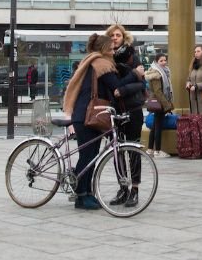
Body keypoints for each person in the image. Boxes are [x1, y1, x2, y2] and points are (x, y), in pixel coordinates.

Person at [61, 33, 122, 210]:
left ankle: (87, 193)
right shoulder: (100, 63)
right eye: (110, 48)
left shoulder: (92, 61)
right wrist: (136, 74)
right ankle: (81, 196)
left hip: (89, 115)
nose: (113, 51)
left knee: (91, 157)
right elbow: (115, 85)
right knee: (87, 156)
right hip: (86, 116)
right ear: (102, 50)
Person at [107, 24, 146, 207]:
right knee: (117, 152)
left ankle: (135, 190)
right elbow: (110, 85)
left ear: (124, 38)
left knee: (133, 151)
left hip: (132, 109)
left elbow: (142, 84)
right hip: (114, 110)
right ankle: (123, 188)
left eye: (118, 35)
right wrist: (129, 79)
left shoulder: (132, 56)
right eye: (112, 35)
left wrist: (122, 90)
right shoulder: (106, 58)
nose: (115, 38)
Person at [146, 52, 173, 158]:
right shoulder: (156, 74)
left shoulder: (164, 72)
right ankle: (157, 150)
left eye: (165, 60)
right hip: (159, 102)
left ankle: (149, 149)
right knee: (158, 126)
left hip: (159, 102)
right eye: (161, 60)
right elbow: (158, 91)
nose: (164, 62)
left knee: (154, 126)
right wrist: (167, 105)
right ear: (156, 62)